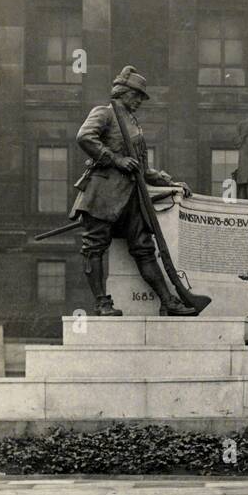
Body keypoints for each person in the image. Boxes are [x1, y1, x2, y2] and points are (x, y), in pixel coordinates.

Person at [70, 65, 194, 317]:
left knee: (144, 249)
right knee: (94, 247)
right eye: (135, 95)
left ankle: (168, 301)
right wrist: (115, 159)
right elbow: (84, 136)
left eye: (140, 97)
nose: (138, 101)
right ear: (122, 92)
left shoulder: (134, 124)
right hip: (102, 195)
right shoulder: (104, 113)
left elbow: (143, 170)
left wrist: (170, 182)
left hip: (132, 199)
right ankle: (102, 304)